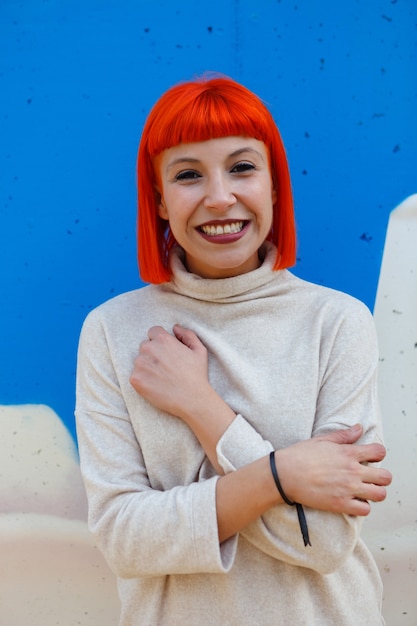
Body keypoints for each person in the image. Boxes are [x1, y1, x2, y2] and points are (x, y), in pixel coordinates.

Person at [75, 74, 392, 625]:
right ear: (159, 200)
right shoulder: (112, 331)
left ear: (274, 185)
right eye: (188, 174)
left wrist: (202, 407)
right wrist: (283, 476)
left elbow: (326, 541)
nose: (220, 197)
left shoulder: (338, 322)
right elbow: (125, 540)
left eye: (242, 167)